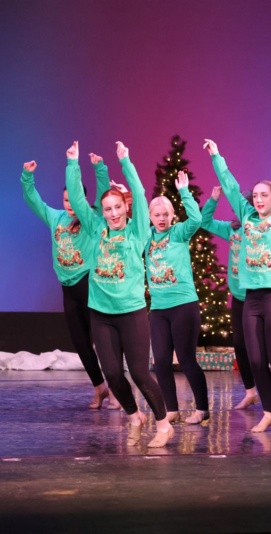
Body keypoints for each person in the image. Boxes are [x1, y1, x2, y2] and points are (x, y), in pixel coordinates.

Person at [65, 140, 174, 448]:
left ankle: (164, 424)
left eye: (117, 207)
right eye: (107, 209)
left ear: (126, 207)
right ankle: (135, 417)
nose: (113, 214)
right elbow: (76, 198)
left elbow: (139, 192)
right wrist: (73, 164)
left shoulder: (137, 230)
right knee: (112, 374)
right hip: (101, 313)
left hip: (131, 313)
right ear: (102, 212)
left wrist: (125, 161)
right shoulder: (95, 228)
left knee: (139, 373)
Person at [203, 138, 271, 434]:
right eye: (256, 196)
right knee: (256, 360)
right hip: (252, 299)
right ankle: (269, 413)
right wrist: (217, 156)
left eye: (264, 195)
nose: (259, 200)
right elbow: (231, 187)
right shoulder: (246, 219)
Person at [21, 156, 120, 410]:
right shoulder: (55, 218)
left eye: (73, 200)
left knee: (102, 339)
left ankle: (117, 389)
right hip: (68, 289)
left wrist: (99, 168)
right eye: (66, 200)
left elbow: (102, 194)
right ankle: (99, 387)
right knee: (80, 341)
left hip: (89, 284)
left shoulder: (90, 217)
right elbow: (33, 200)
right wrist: (28, 176)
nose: (70, 205)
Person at [146, 170, 209, 425]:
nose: (161, 219)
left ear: (172, 215)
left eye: (165, 214)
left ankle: (202, 409)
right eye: (156, 215)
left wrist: (184, 192)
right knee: (161, 361)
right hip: (159, 309)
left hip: (183, 305)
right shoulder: (147, 238)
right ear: (150, 217)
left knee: (186, 360)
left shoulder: (179, 232)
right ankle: (171, 409)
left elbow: (197, 219)